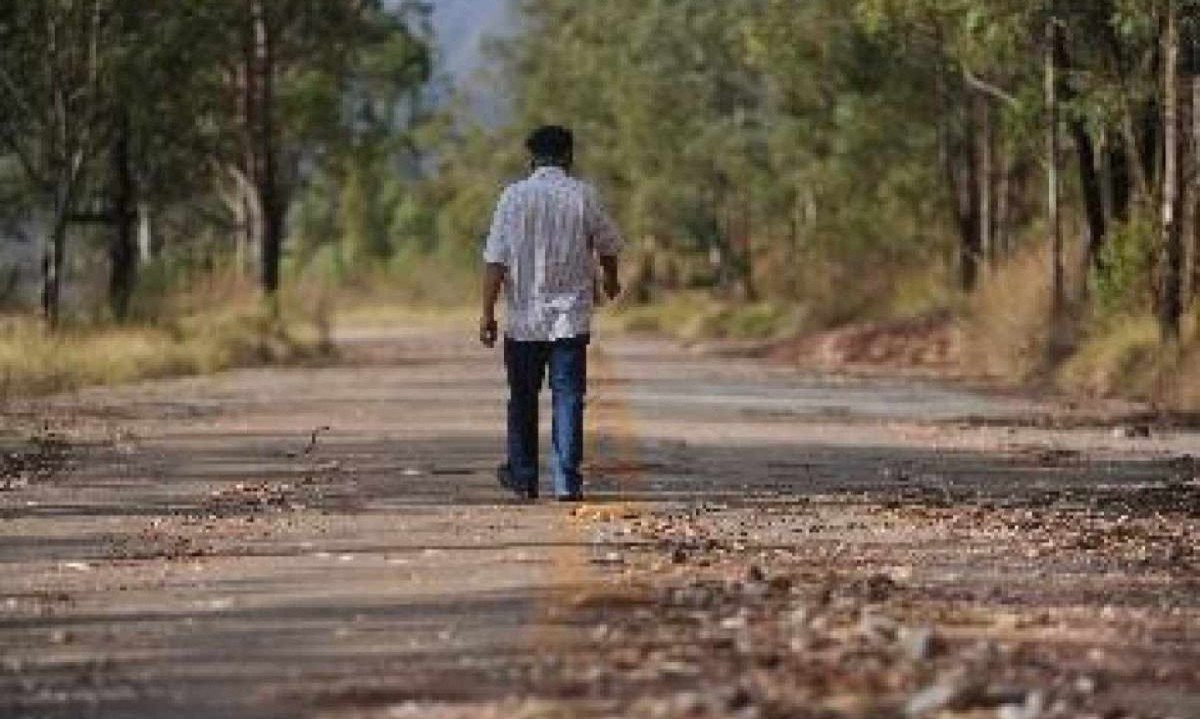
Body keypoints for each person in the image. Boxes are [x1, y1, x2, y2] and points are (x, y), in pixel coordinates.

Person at [478, 125, 623, 501]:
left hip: (524, 321)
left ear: (531, 158)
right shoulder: (583, 196)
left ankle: (524, 476)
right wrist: (611, 279)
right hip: (570, 319)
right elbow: (608, 243)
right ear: (568, 156)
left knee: (522, 398)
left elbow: (495, 260)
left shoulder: (513, 197)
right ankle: (565, 482)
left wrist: (487, 314)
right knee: (568, 398)